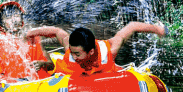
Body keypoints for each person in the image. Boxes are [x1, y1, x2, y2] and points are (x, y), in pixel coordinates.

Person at [24, 21, 166, 77]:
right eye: (72, 52)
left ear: (90, 52)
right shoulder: (70, 51)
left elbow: (132, 27)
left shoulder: (109, 50)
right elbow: (57, 31)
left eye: (77, 54)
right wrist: (32, 33)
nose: (74, 56)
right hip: (66, 73)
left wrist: (159, 30)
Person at [0, 1, 54, 80]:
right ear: (1, 25)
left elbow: (51, 65)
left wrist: (41, 64)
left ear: (22, 20)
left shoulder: (34, 38)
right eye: (8, 17)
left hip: (42, 84)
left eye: (16, 15)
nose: (14, 20)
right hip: (14, 87)